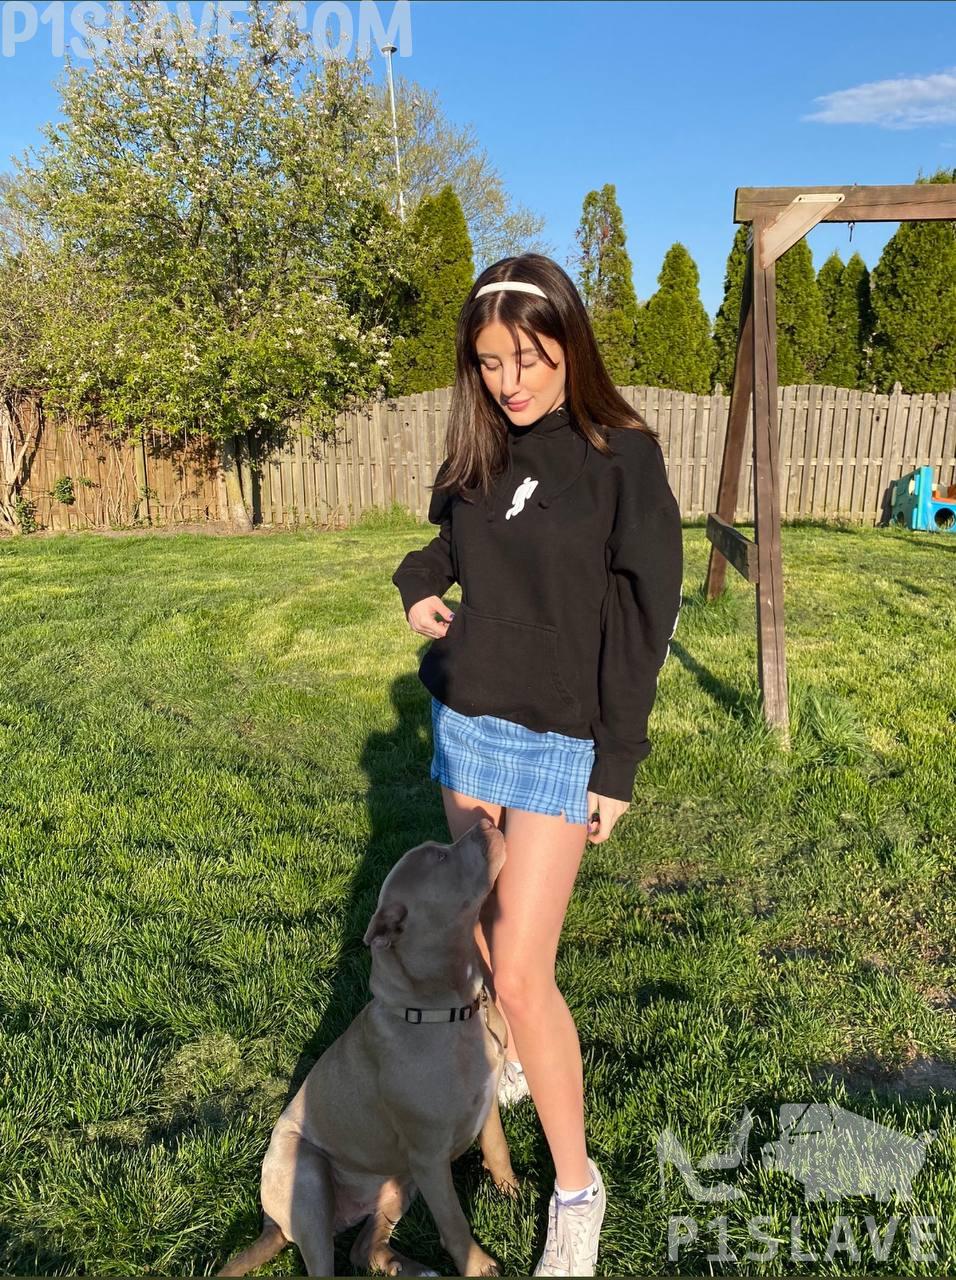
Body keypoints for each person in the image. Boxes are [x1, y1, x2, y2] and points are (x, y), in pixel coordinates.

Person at [391, 252, 683, 1277]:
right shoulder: (479, 449)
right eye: (489, 362)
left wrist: (618, 762)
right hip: (469, 723)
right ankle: (507, 1062)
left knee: (520, 971)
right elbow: (446, 545)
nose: (509, 381)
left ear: (570, 344)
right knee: (478, 924)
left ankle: (575, 1187)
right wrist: (417, 584)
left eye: (528, 357)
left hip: (562, 737)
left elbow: (644, 617)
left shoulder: (621, 457)